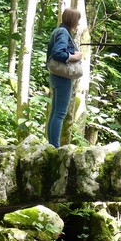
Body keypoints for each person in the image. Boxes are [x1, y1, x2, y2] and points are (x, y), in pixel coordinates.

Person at [46, 8, 83, 147]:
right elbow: (58, 53)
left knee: (55, 112)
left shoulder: (58, 31)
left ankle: (51, 145)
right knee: (60, 113)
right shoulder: (63, 33)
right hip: (62, 78)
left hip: (55, 76)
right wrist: (75, 56)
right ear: (72, 20)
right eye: (77, 21)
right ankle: (55, 147)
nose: (78, 24)